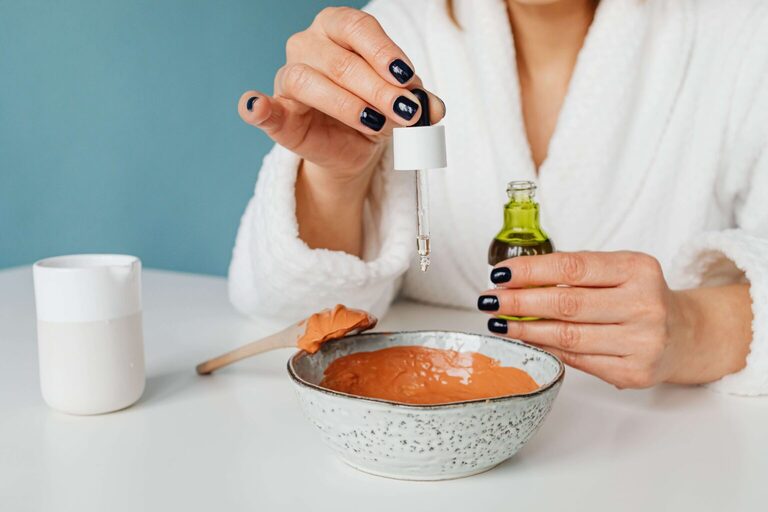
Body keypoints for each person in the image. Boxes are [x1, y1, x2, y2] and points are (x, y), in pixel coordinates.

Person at [229, 0, 768, 395]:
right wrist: (336, 178)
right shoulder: (390, 36)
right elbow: (289, 313)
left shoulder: (742, 34)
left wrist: (695, 328)